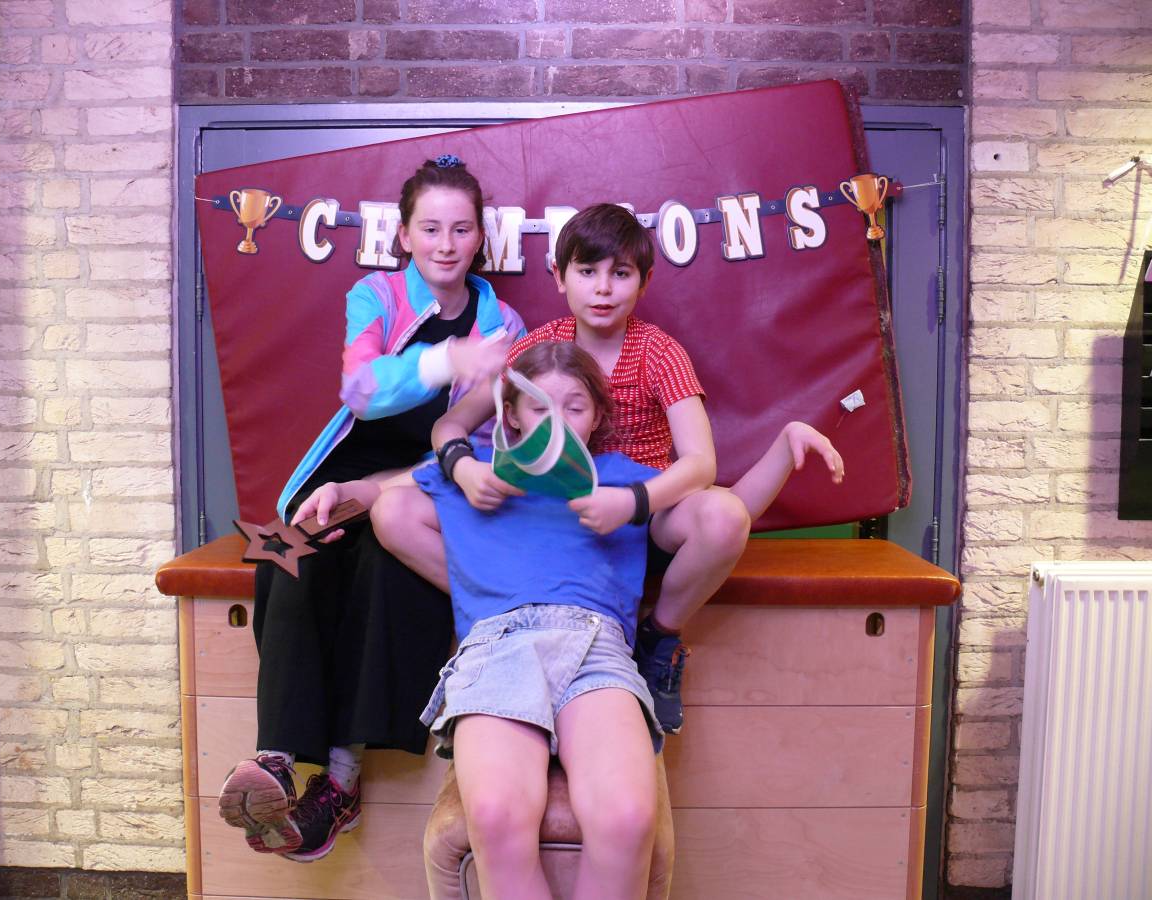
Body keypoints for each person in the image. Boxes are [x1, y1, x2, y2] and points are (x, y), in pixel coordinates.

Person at [374, 202, 843, 736]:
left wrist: (631, 502)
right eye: (587, 271)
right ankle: (501, 604)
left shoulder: (659, 353)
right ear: (560, 276)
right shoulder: (537, 349)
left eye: (620, 274)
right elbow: (450, 425)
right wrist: (463, 470)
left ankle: (658, 638)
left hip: (639, 512)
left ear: (643, 282)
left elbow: (700, 463)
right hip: (546, 517)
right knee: (394, 513)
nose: (602, 288)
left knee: (724, 516)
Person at [217, 156, 525, 863]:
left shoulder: (502, 324)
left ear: (480, 237)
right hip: (338, 477)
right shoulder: (375, 296)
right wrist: (448, 361)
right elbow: (362, 389)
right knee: (284, 551)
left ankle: (341, 780)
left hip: (423, 487)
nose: (446, 244)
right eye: (430, 229)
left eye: (461, 229)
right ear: (405, 236)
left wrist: (381, 491)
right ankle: (276, 759)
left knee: (385, 575)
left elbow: (478, 446)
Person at [394, 341, 664, 899]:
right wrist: (337, 490)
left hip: (595, 644)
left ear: (598, 417)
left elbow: (719, 510)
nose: (557, 421)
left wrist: (784, 451)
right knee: (494, 815)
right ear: (512, 414)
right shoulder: (478, 472)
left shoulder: (622, 478)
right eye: (540, 407)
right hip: (500, 643)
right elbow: (388, 502)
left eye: (575, 407)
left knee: (628, 819)